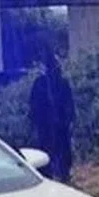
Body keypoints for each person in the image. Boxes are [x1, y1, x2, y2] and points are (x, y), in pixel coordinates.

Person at [28, 50, 76, 183]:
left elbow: (69, 105)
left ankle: (63, 176)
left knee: (63, 153)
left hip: (60, 125)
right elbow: (34, 106)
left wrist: (68, 121)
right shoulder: (40, 84)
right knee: (47, 153)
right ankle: (49, 176)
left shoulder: (62, 84)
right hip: (46, 126)